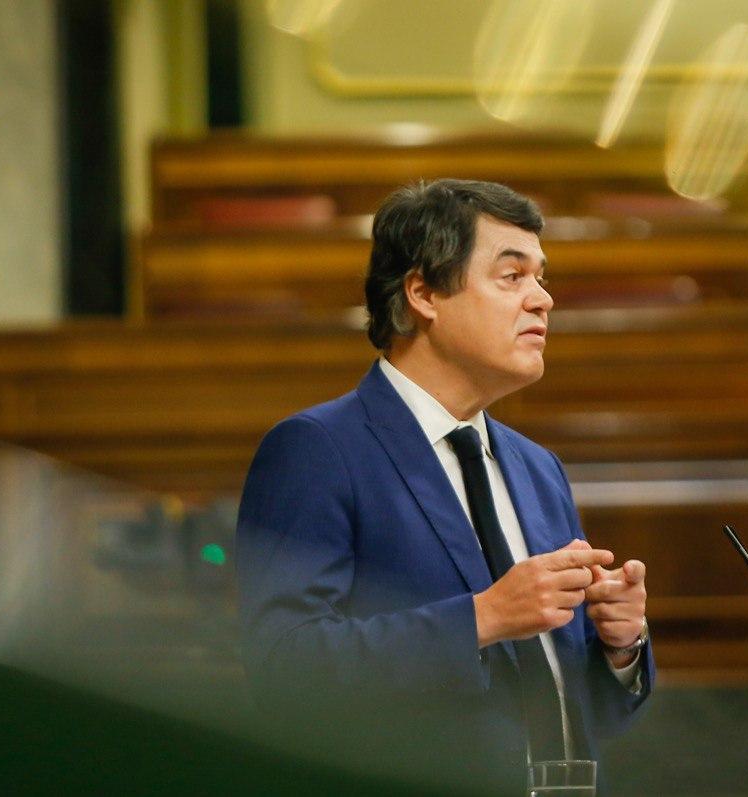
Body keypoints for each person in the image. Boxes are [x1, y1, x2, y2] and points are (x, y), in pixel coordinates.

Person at [237, 179, 652, 795]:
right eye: (512, 276)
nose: (543, 299)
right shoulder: (318, 450)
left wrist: (621, 647)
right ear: (424, 293)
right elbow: (284, 669)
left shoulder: (538, 468)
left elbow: (576, 706)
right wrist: (483, 617)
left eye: (541, 277)